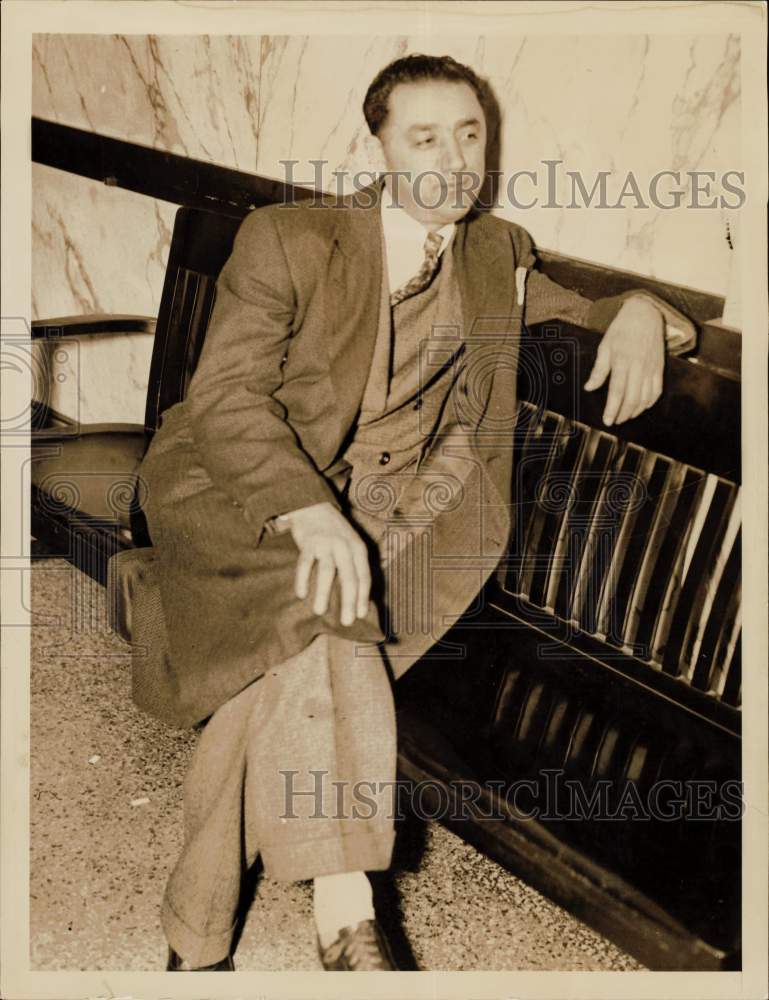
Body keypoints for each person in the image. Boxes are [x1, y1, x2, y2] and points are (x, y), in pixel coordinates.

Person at [137, 54, 695, 972]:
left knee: (292, 659)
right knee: (330, 608)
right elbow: (227, 400)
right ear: (380, 147)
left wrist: (643, 309)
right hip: (237, 488)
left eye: (469, 134)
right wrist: (308, 513)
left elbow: (579, 307)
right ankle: (345, 903)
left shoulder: (493, 250)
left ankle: (194, 942)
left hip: (406, 510)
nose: (453, 159)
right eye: (424, 136)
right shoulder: (288, 237)